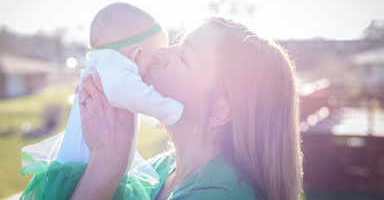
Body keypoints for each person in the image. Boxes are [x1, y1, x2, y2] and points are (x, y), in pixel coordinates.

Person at [70, 17, 303, 200]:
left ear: (217, 111)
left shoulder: (218, 196)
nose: (159, 55)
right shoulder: (161, 168)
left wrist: (106, 163)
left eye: (184, 57)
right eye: (175, 45)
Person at [56, 2, 183, 167]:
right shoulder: (114, 69)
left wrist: (154, 119)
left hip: (84, 165)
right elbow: (133, 94)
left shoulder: (105, 68)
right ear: (137, 55)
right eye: (153, 61)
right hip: (83, 170)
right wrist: (171, 111)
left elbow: (127, 99)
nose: (154, 68)